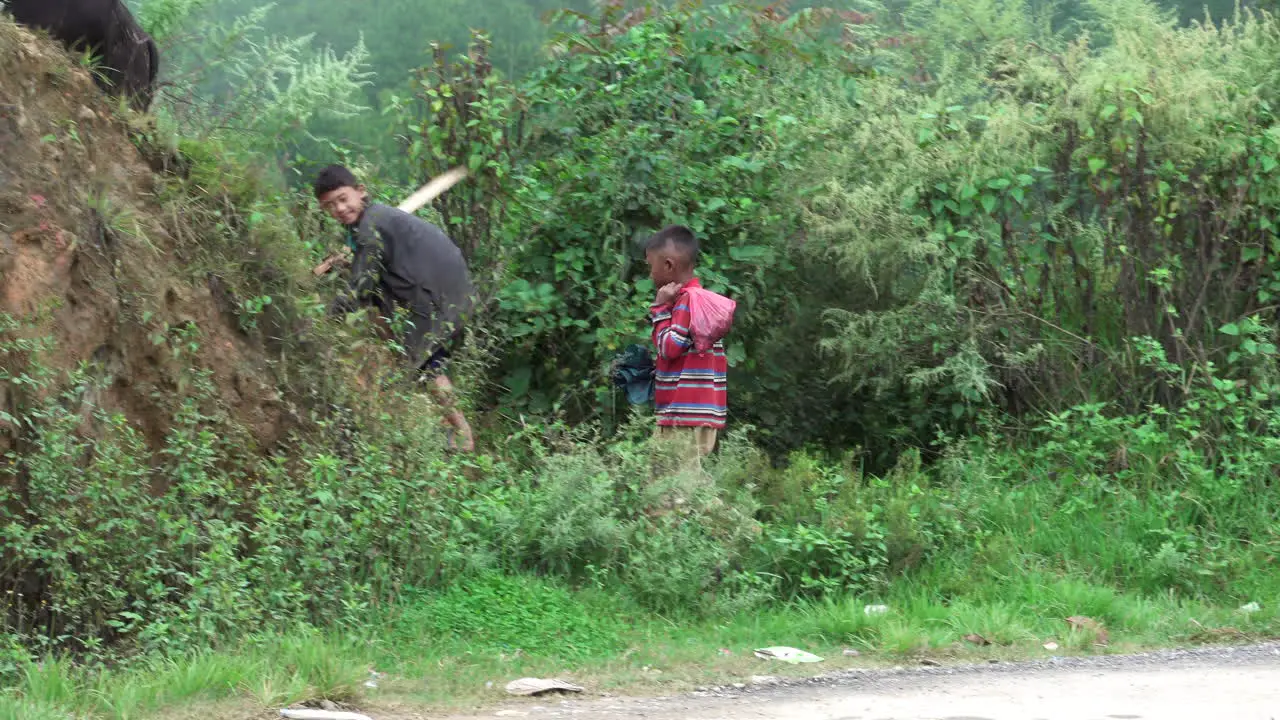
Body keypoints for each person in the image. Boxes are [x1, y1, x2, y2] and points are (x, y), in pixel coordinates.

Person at [313, 165, 476, 452]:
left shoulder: (371, 227)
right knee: (403, 340)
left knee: (426, 363)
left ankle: (462, 434)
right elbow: (369, 271)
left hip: (438, 293)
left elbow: (361, 288)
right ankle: (412, 392)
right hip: (442, 288)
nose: (339, 208)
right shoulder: (374, 219)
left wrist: (323, 316)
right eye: (329, 206)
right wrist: (342, 265)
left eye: (342, 199)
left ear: (360, 191)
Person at [644, 224, 727, 462]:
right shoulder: (702, 300)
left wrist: (659, 308)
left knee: (669, 487)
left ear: (668, 265)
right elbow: (685, 353)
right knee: (684, 483)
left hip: (683, 415)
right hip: (702, 413)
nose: (651, 275)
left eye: (652, 267)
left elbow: (669, 348)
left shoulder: (686, 302)